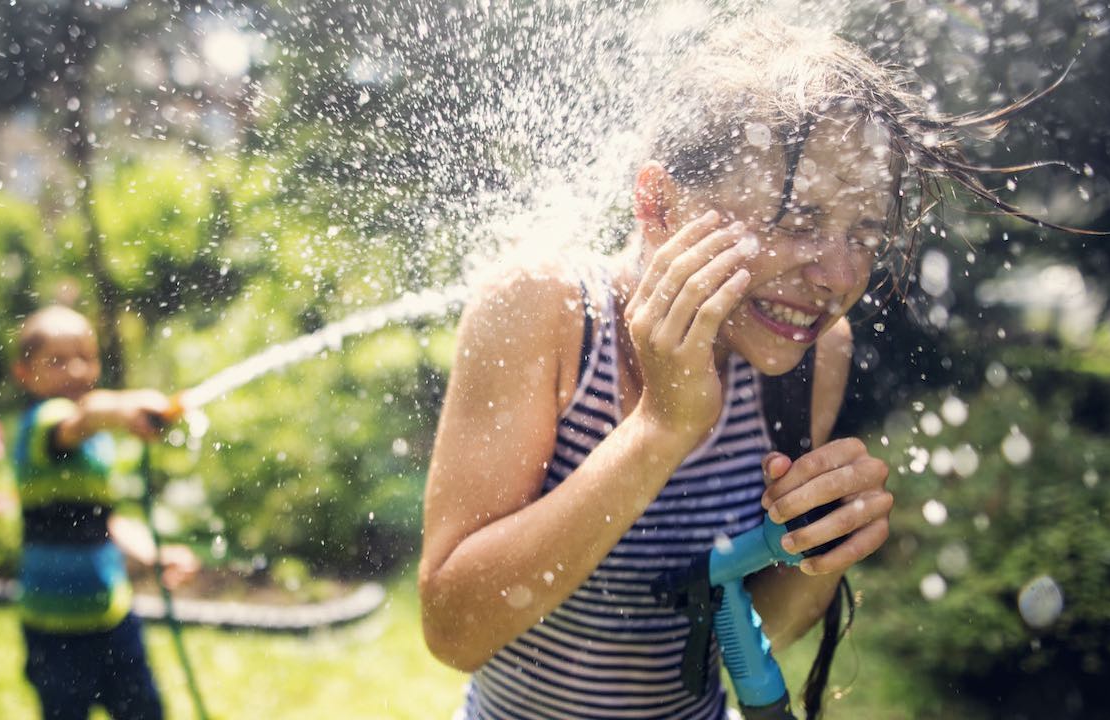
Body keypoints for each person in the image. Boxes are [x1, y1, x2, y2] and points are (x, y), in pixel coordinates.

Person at [418, 20, 1068, 720]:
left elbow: (757, 630)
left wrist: (818, 551)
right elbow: (456, 631)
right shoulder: (543, 309)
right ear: (659, 205)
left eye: (865, 235)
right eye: (799, 221)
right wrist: (660, 431)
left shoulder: (814, 356)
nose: (839, 275)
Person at [12, 305, 200, 720]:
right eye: (57, 361)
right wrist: (125, 408)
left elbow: (103, 521)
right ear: (24, 373)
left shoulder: (97, 446)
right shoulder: (41, 428)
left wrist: (153, 555)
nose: (75, 369)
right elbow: (82, 419)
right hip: (54, 631)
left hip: (112, 616)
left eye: (85, 356)